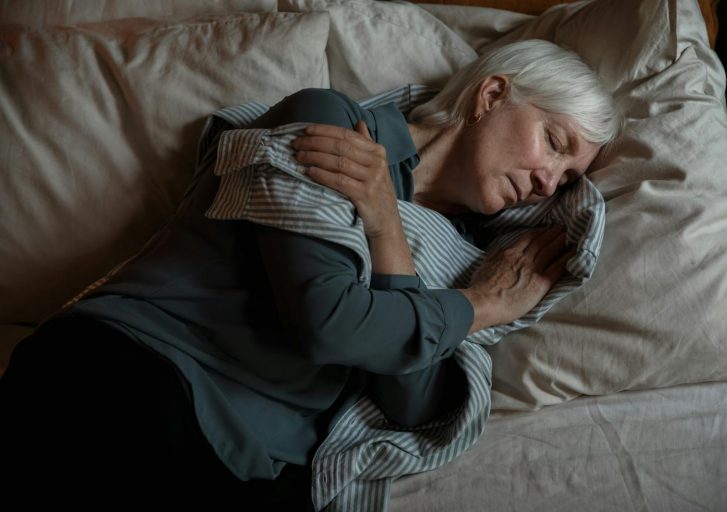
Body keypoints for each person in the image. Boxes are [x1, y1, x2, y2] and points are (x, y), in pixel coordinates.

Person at [0, 39, 621, 505]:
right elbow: (328, 324)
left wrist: (389, 233)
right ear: (491, 96)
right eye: (554, 142)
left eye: (567, 180)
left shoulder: (464, 256)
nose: (548, 181)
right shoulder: (330, 124)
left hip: (256, 463)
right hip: (133, 376)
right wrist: (478, 307)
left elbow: (413, 403)